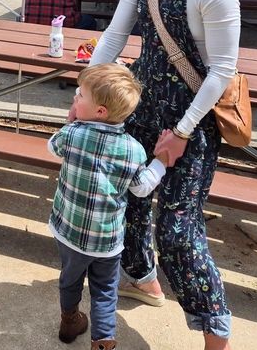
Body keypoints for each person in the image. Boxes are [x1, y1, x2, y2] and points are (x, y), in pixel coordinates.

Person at [88, 0, 239, 349]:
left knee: (177, 230)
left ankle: (215, 332)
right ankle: (143, 279)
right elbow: (115, 37)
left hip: (191, 120)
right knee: (127, 204)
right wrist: (87, 94)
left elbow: (221, 72)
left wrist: (182, 132)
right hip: (141, 107)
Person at [49, 64, 168, 348]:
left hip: (69, 231)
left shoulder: (72, 134)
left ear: (100, 111)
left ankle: (69, 322)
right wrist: (162, 162)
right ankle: (102, 342)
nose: (75, 98)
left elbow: (51, 147)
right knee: (104, 291)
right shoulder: (133, 149)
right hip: (106, 241)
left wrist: (70, 122)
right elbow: (141, 188)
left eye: (80, 95)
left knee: (69, 280)